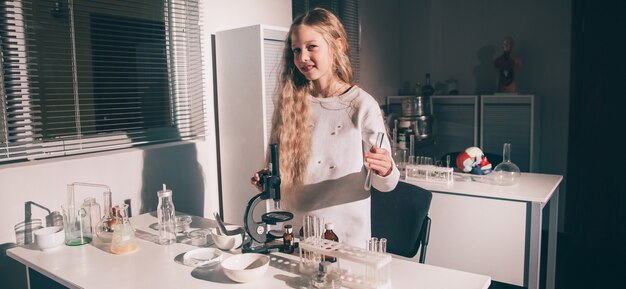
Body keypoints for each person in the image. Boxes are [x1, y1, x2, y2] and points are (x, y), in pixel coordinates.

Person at [250, 8, 399, 247]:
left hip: (346, 237)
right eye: (296, 50)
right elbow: (277, 168)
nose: (302, 57)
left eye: (311, 47)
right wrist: (268, 178)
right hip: (296, 230)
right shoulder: (289, 103)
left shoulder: (361, 104)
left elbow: (386, 184)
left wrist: (386, 169)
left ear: (337, 46)